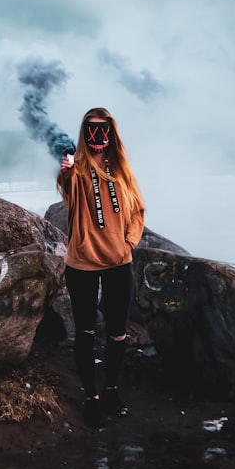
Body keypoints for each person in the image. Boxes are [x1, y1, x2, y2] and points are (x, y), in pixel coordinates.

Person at [57, 107, 145, 429]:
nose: (97, 136)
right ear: (84, 132)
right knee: (86, 331)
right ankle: (91, 398)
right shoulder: (77, 169)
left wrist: (129, 243)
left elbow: (138, 211)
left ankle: (110, 391)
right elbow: (67, 184)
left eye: (102, 129)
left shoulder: (122, 170)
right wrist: (66, 170)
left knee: (118, 332)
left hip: (119, 262)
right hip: (82, 263)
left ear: (110, 132)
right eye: (91, 130)